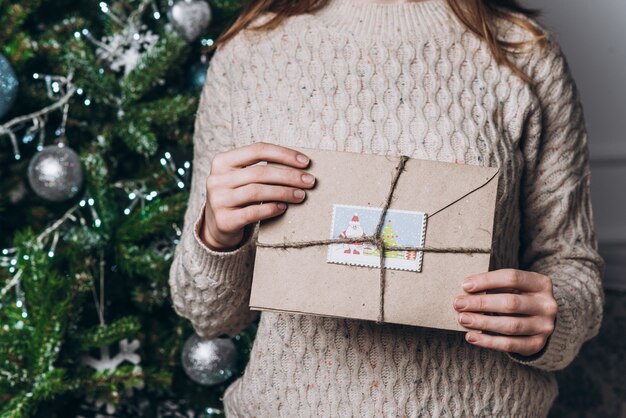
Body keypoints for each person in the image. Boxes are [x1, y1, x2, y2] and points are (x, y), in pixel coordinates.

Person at [168, 0, 605, 415]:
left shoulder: (523, 54)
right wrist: (216, 235)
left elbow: (572, 264)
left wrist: (554, 317)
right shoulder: (248, 54)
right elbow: (210, 317)